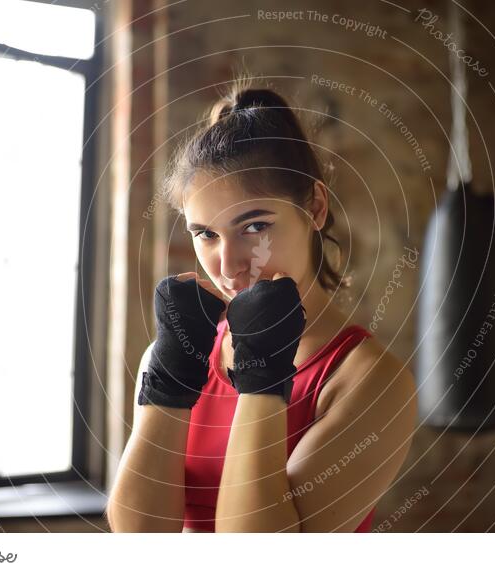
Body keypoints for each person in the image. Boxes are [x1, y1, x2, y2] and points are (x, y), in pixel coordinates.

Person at [106, 80, 417, 533]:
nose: (228, 264)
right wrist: (169, 378)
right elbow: (137, 536)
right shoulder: (180, 350)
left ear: (314, 206)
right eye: (205, 234)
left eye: (254, 225)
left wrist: (263, 375)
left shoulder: (369, 381)